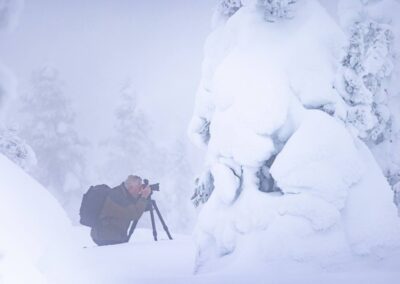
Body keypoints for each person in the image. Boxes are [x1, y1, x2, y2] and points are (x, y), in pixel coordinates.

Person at [90, 175, 151, 246]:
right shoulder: (117, 197)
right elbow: (134, 214)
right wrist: (143, 197)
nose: (140, 190)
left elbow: (132, 207)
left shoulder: (123, 193)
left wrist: (143, 200)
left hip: (108, 234)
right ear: (131, 188)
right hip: (106, 237)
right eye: (139, 187)